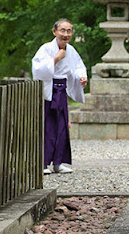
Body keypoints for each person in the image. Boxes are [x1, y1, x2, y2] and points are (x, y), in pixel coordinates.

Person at [32, 19, 87, 175]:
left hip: (61, 91)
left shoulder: (71, 50)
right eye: (62, 30)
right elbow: (37, 69)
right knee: (47, 126)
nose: (66, 34)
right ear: (54, 31)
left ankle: (58, 162)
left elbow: (78, 67)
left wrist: (82, 77)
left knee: (62, 127)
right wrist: (55, 58)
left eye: (69, 31)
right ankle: (42, 163)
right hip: (49, 91)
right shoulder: (46, 49)